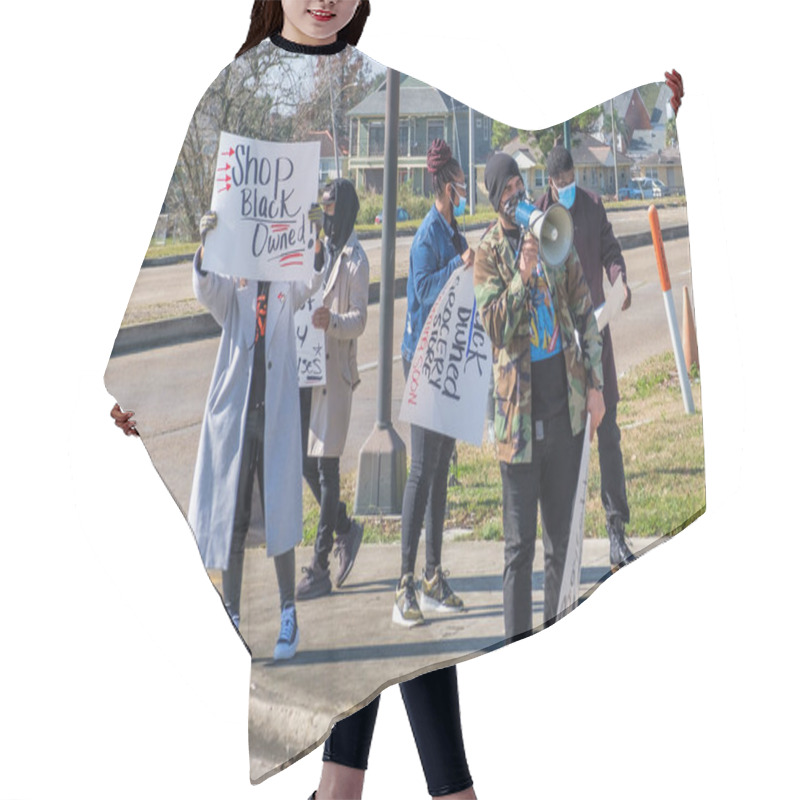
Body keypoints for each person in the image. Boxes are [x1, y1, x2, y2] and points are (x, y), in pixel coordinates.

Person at [473, 152, 605, 639]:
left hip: (564, 415)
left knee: (561, 545)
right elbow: (496, 328)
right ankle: (517, 646)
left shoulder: (551, 234)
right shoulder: (488, 254)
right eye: (504, 190)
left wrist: (596, 384)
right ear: (495, 201)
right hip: (519, 427)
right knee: (518, 551)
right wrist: (522, 275)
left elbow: (583, 307)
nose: (515, 194)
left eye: (518, 184)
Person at [188, 209, 324, 661]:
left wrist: (314, 239)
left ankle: (289, 614)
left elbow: (312, 280)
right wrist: (207, 249)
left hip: (276, 413)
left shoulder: (287, 279)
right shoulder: (235, 278)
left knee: (281, 517)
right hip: (238, 414)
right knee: (235, 513)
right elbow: (208, 289)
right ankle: (230, 615)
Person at [536, 145, 635, 569]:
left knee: (608, 435)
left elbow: (611, 253)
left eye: (573, 180)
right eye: (563, 185)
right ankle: (564, 541)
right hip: (560, 351)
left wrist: (619, 281)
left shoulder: (593, 207)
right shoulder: (539, 218)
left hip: (597, 341)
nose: (570, 189)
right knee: (564, 447)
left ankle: (617, 533)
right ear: (551, 185)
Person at [395, 138, 474, 626]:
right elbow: (423, 293)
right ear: (446, 186)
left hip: (444, 359)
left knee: (442, 470)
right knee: (422, 470)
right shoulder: (428, 236)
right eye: (461, 182)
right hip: (421, 362)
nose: (464, 189)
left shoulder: (453, 228)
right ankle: (403, 584)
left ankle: (432, 576)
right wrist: (455, 265)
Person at [296, 178, 368, 600]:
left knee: (327, 468)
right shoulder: (320, 252)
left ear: (343, 211)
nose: (325, 216)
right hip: (307, 372)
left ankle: (320, 562)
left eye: (330, 208)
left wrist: (333, 323)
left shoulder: (357, 259)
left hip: (334, 374)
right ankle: (345, 527)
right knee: (306, 461)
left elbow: (359, 319)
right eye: (321, 208)